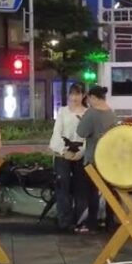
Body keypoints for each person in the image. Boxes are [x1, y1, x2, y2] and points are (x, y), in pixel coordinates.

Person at [50, 82, 90, 233]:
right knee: (62, 186)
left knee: (81, 188)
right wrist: (63, 150)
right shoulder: (63, 111)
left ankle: (79, 221)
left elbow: (89, 136)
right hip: (64, 152)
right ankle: (64, 221)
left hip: (81, 152)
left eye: (78, 94)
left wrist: (81, 152)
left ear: (83, 95)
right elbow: (56, 134)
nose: (74, 97)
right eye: (72, 94)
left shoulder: (88, 113)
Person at [77, 85, 118, 228]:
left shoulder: (91, 113)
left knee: (92, 192)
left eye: (89, 98)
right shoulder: (111, 113)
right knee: (109, 191)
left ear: (94, 98)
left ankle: (92, 222)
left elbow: (81, 132)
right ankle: (110, 222)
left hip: (94, 158)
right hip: (110, 159)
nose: (88, 101)